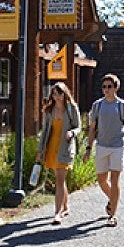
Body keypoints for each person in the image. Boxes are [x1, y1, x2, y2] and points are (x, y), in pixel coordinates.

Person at [83, 73, 124, 227]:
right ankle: (113, 199)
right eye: (104, 87)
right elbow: (92, 128)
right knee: (101, 180)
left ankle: (113, 214)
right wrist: (88, 148)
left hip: (118, 146)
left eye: (109, 87)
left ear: (116, 88)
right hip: (101, 146)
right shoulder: (97, 105)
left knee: (115, 180)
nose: (106, 90)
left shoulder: (122, 105)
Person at [36, 82, 81, 225]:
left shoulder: (71, 108)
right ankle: (66, 206)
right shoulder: (50, 110)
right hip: (52, 147)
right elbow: (44, 132)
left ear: (65, 93)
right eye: (54, 94)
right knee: (59, 179)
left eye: (59, 94)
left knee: (59, 181)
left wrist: (72, 132)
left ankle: (57, 213)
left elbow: (79, 127)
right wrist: (40, 150)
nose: (57, 97)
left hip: (65, 148)